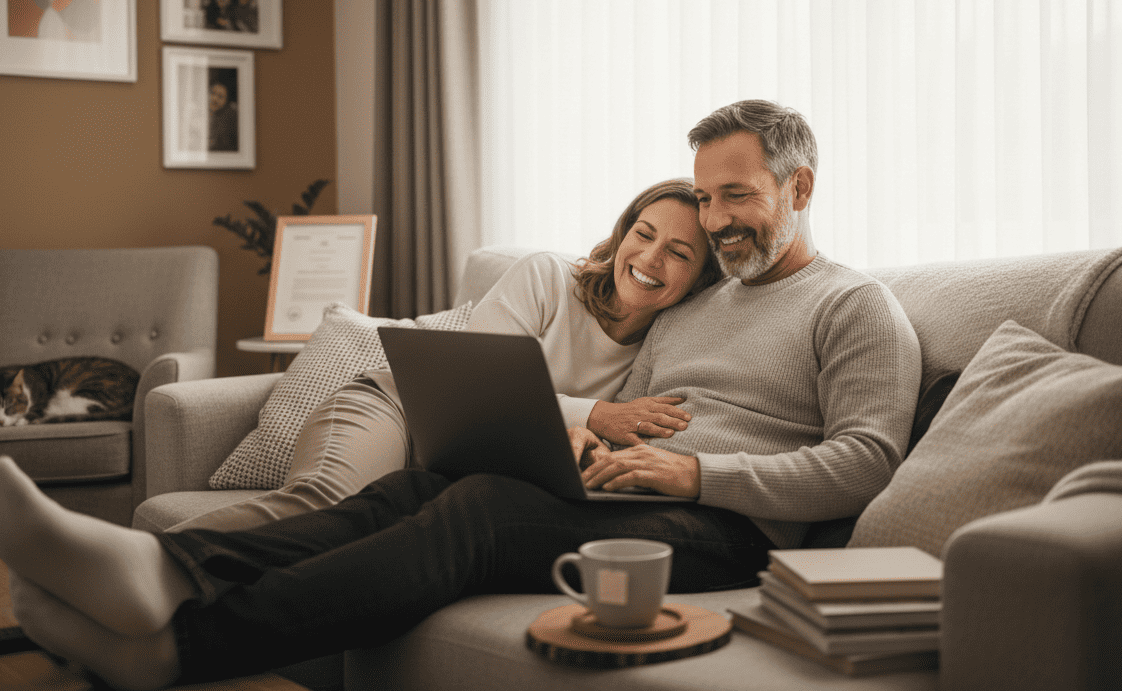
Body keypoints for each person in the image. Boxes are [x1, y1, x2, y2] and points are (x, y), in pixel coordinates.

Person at [0, 101, 922, 690]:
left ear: (800, 186)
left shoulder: (854, 305)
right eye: (706, 200)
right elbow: (617, 398)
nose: (715, 221)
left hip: (728, 531)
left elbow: (867, 463)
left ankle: (182, 648)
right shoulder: (693, 309)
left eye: (738, 197)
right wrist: (593, 446)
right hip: (628, 492)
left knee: (473, 512)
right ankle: (169, 569)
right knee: (404, 494)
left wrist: (694, 472)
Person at [175, 178, 721, 534]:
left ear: (701, 280)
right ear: (623, 234)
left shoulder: (667, 345)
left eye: (678, 253)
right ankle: (154, 552)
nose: (650, 258)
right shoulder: (549, 277)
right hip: (396, 407)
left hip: (456, 469)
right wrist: (594, 414)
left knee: (364, 538)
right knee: (325, 506)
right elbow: (470, 394)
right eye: (643, 234)